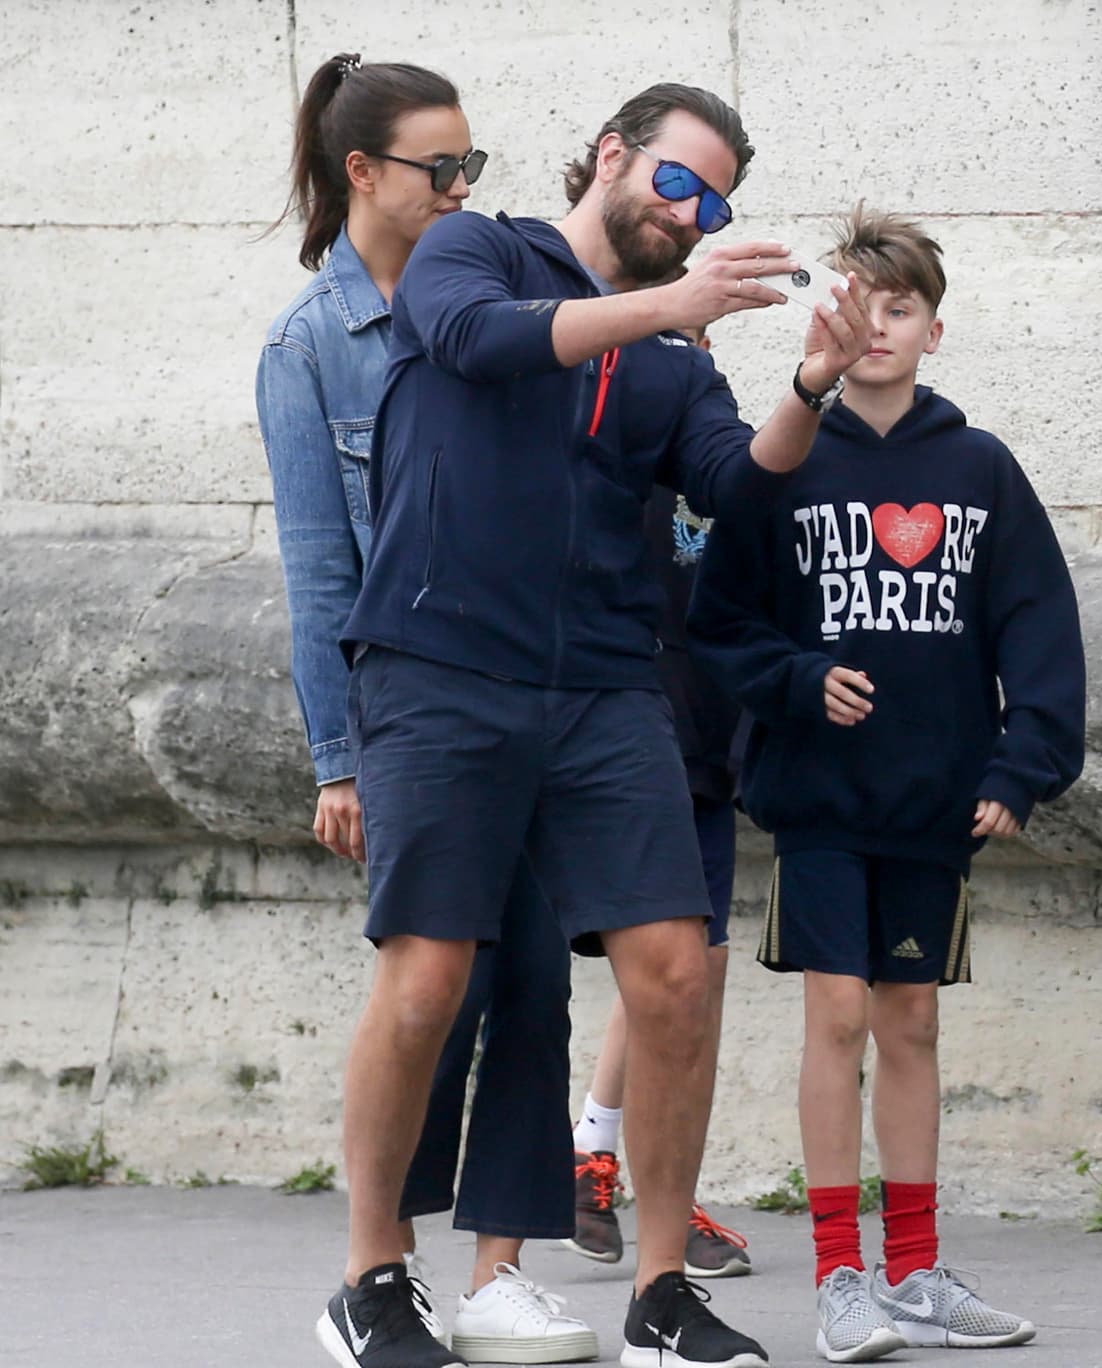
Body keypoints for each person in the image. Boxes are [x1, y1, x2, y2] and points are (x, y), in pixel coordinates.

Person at [333, 82, 874, 1368]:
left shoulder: (674, 362)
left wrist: (809, 379)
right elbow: (479, 341)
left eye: (716, 205)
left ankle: (662, 1289)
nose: (691, 217)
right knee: (427, 980)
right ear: (613, 158)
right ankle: (370, 1275)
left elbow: (737, 484)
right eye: (677, 185)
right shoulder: (477, 248)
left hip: (601, 689)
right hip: (440, 665)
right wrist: (670, 308)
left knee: (677, 974)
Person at [687, 204, 1086, 1361]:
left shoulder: (978, 468)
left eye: (898, 308)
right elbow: (724, 622)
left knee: (909, 1021)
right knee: (839, 1015)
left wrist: (1023, 765)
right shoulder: (786, 460)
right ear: (829, 319)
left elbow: (1036, 625)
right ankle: (838, 1275)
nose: (877, 328)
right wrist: (799, 684)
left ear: (933, 330)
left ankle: (912, 1269)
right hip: (817, 801)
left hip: (933, 801)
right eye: (857, 306)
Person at [255, 53, 596, 1367]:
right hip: (409, 707)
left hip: (535, 689)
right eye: (438, 169)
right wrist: (337, 760)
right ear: (363, 175)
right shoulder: (309, 349)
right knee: (425, 988)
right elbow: (318, 570)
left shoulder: (496, 290)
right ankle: (371, 1272)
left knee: (533, 982)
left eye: (473, 168)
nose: (462, 190)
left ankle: (501, 1272)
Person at [566, 323, 751, 1281]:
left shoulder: (721, 451)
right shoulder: (605, 444)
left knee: (691, 970)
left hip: (709, 738)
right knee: (671, 966)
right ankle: (595, 1160)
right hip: (632, 731)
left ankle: (607, 1155)